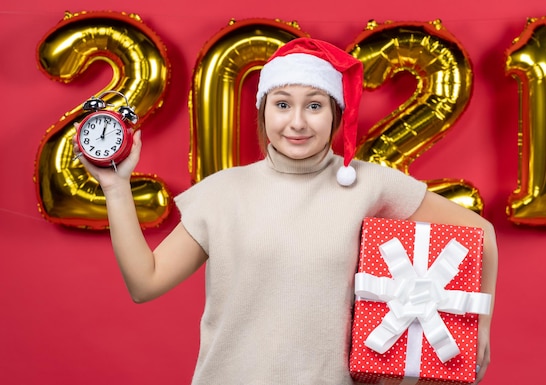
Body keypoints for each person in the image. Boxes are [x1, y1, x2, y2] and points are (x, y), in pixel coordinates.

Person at [74, 37, 497, 385]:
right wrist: (115, 185)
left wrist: (479, 325)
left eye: (314, 105)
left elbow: (482, 235)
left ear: (336, 114)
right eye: (282, 104)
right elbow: (143, 283)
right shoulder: (223, 192)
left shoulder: (370, 183)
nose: (297, 122)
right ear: (263, 111)